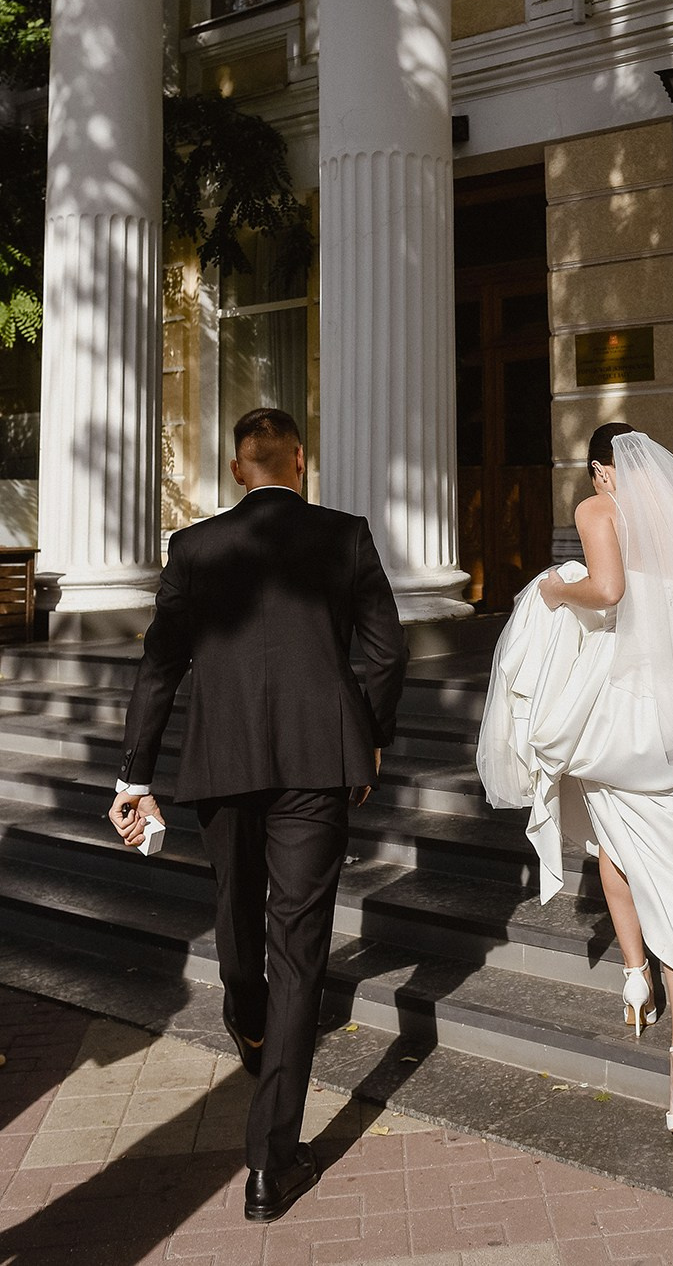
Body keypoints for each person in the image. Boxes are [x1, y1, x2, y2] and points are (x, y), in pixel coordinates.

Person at [108, 407, 406, 1223]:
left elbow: (159, 668)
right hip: (318, 762)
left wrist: (136, 774)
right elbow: (385, 651)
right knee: (299, 949)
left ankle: (245, 1015)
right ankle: (272, 1164)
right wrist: (370, 737)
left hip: (222, 762)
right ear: (299, 461)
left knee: (235, 910)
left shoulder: (193, 548)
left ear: (239, 468)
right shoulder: (345, 535)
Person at [481, 423, 673, 1134]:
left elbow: (606, 592)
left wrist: (553, 588)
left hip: (625, 718)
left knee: (612, 843)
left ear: (600, 471)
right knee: (671, 871)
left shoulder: (598, 510)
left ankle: (635, 975)